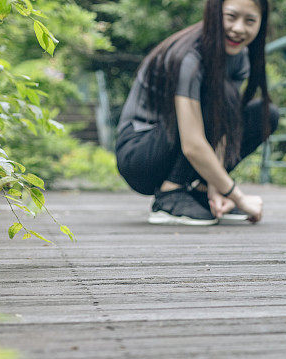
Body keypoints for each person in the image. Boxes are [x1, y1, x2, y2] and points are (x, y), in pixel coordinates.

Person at [115, 0, 277, 225]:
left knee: (265, 114)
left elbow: (226, 125)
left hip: (174, 144)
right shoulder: (190, 58)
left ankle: (200, 194)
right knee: (212, 94)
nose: (239, 28)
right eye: (231, 17)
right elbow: (192, 143)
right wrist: (238, 196)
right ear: (212, 13)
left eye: (250, 20)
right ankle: (170, 194)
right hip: (141, 155)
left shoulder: (240, 57)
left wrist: (217, 188)